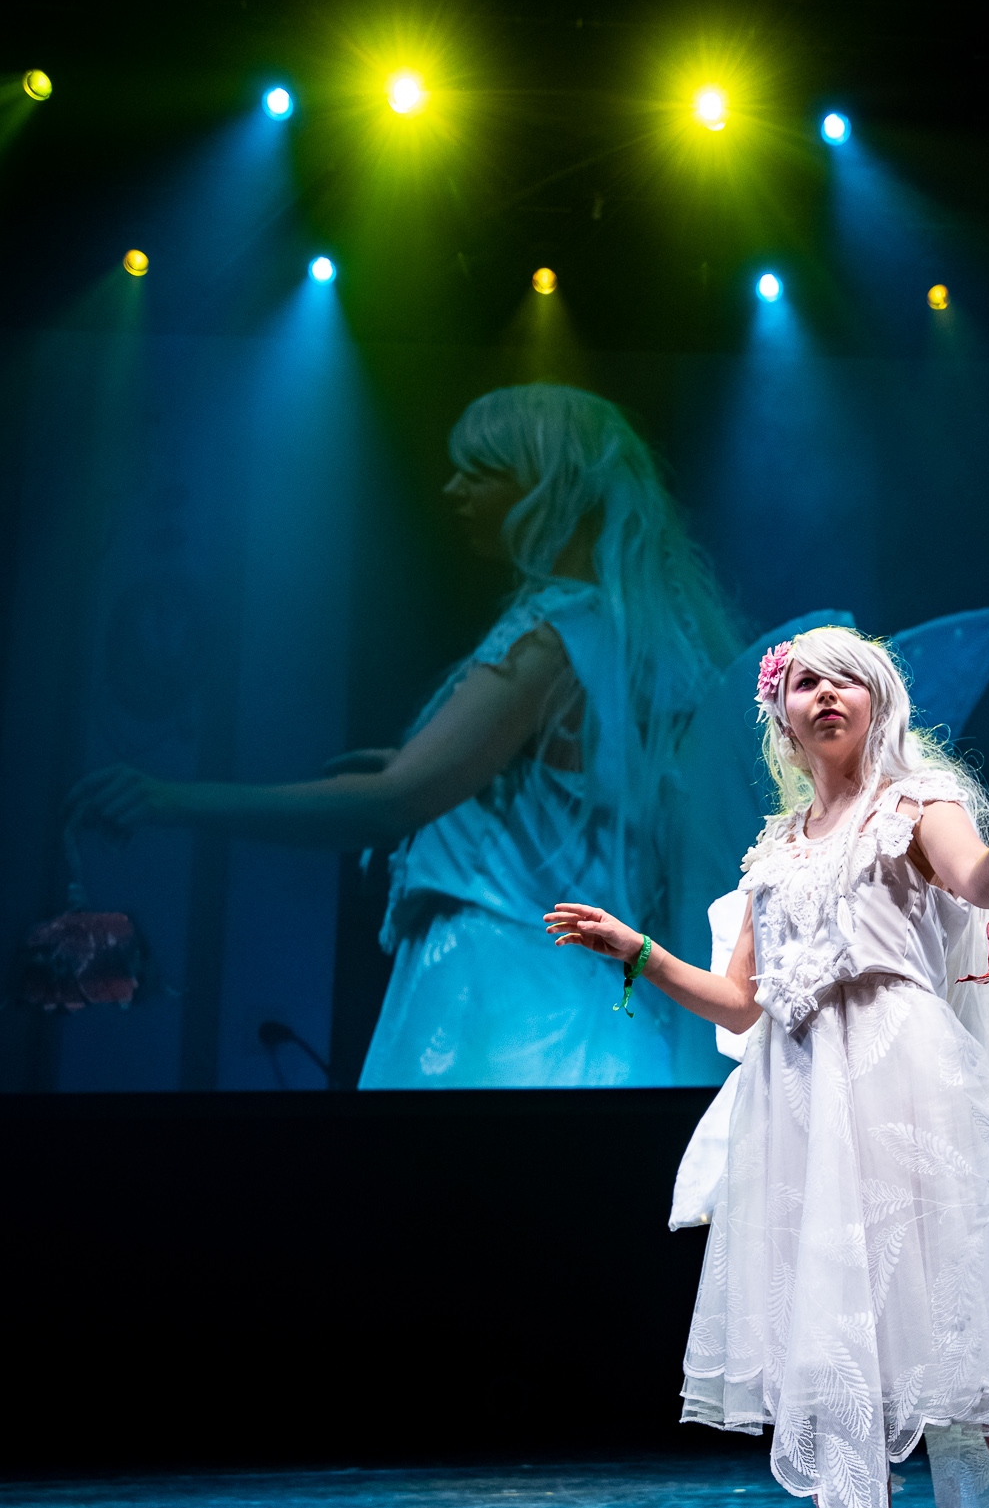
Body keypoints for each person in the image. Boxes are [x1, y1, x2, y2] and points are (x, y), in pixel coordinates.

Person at [545, 624, 989, 1508]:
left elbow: (981, 882)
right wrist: (636, 951)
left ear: (877, 700)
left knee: (984, 1342)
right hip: (802, 1106)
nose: (822, 692)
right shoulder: (776, 849)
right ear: (780, 712)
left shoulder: (917, 804)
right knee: (829, 1361)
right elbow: (742, 1001)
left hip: (904, 1091)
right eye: (802, 679)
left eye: (844, 677)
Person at [65, 384, 738, 1086]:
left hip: (501, 992)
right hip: (588, 999)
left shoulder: (551, 637)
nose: (453, 489)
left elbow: (393, 801)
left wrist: (168, 798)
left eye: (481, 471)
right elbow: (572, 787)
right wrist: (467, 779)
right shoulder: (635, 644)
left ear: (548, 486)